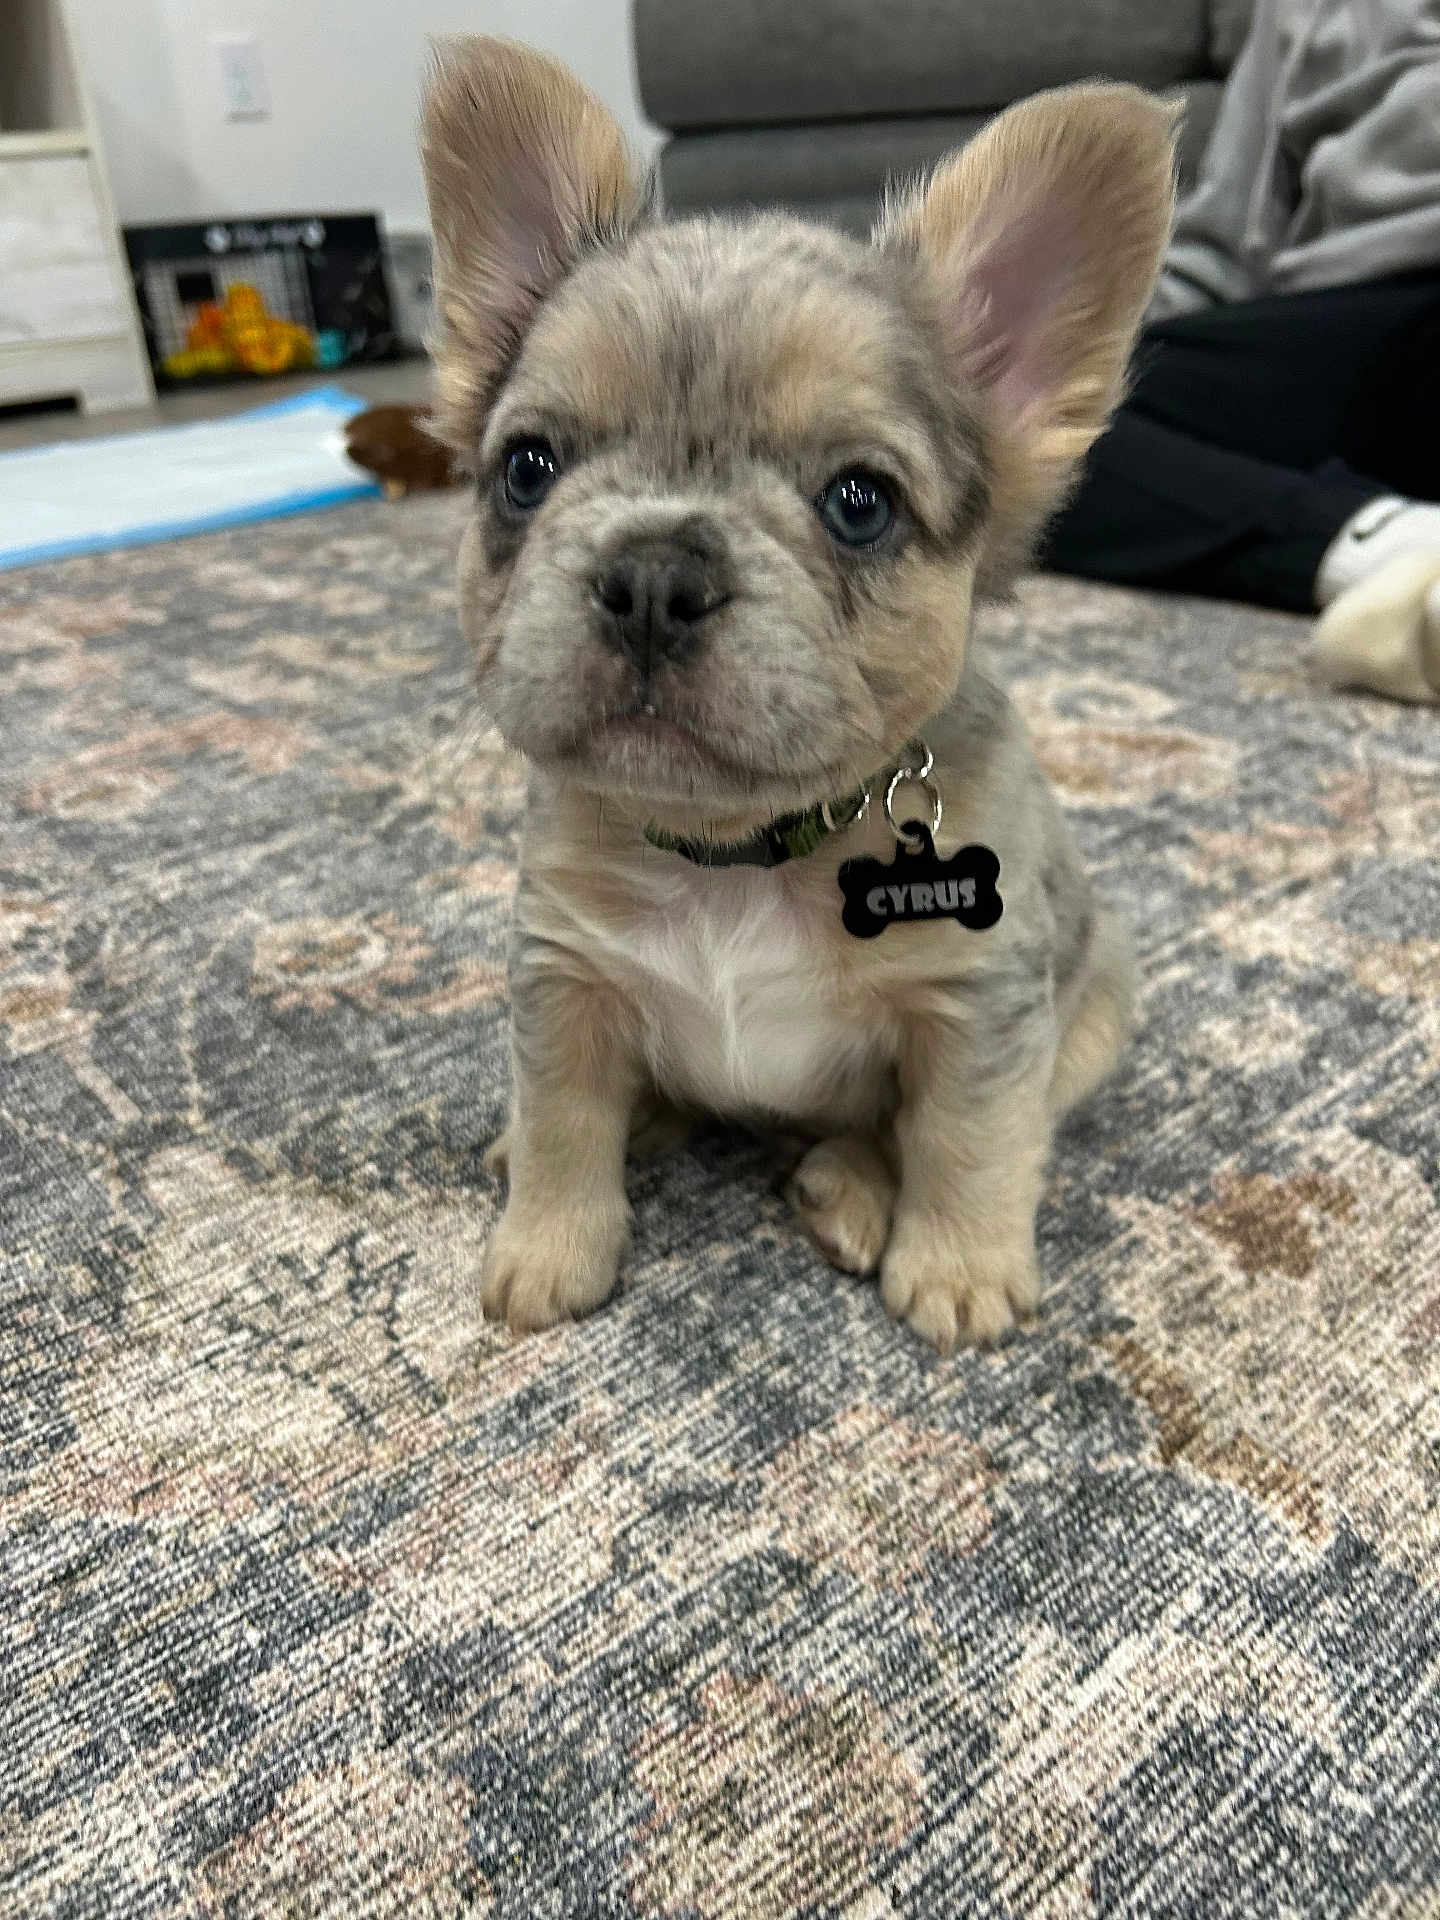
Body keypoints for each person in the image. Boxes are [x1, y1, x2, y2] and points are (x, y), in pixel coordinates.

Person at [1040, 0, 1440, 703]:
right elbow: (1218, 248)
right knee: (1029, 430)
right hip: (1337, 329)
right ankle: (1386, 543)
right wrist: (1088, 356)